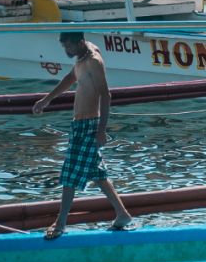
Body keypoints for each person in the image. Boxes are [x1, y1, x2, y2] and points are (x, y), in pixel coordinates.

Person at [34, 32, 133, 238]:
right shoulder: (81, 55)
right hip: (79, 124)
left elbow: (106, 95)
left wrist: (101, 130)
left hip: (89, 125)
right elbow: (71, 77)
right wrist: (46, 100)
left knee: (70, 173)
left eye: (69, 47)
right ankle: (122, 214)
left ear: (79, 43)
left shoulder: (93, 61)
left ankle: (60, 223)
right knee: (97, 174)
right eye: (64, 48)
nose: (67, 51)